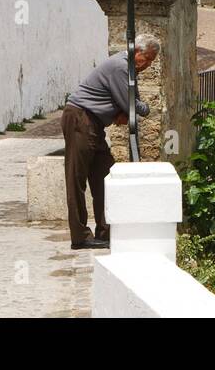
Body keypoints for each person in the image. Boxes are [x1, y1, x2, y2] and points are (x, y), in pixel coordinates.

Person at [62, 34, 157, 249]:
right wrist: (133, 108)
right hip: (81, 119)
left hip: (94, 124)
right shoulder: (121, 67)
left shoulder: (129, 70)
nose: (148, 65)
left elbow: (129, 103)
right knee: (76, 178)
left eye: (151, 61)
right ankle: (80, 236)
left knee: (105, 174)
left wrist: (124, 108)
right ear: (138, 52)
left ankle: (105, 231)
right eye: (148, 59)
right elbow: (133, 104)